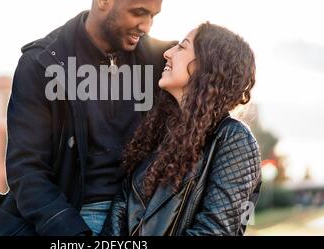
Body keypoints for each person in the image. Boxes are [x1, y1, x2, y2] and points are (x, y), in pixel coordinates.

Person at [0, 0, 172, 236]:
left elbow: (220, 73)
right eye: (139, 12)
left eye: (154, 15)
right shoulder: (41, 64)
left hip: (136, 216)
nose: (147, 25)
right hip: (68, 218)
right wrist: (77, 237)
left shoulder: (160, 61)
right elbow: (27, 172)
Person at [101, 22, 262, 236]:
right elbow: (118, 215)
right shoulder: (158, 133)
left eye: (182, 47)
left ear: (205, 66)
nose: (168, 53)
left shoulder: (234, 139)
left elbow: (215, 231)